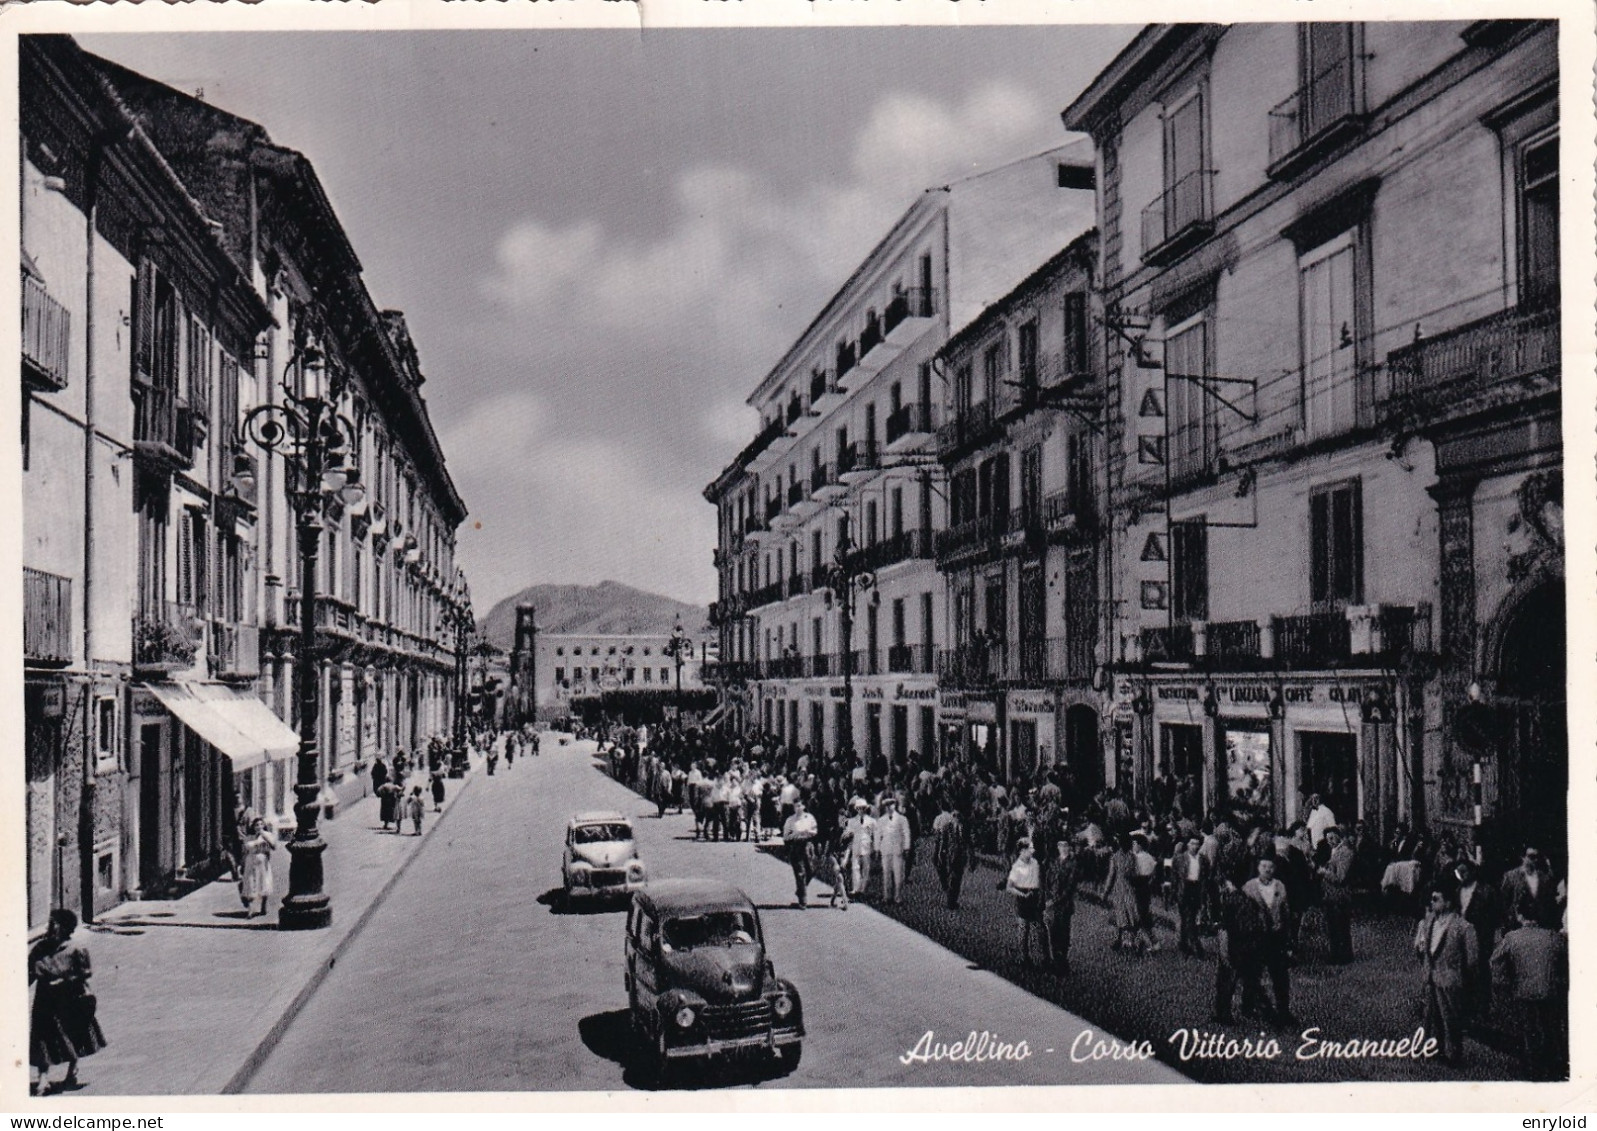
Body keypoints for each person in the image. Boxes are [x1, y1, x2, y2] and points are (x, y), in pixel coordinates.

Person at [29, 909, 106, 1096]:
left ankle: (72, 1069)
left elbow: (86, 973)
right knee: (42, 1039)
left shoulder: (76, 949)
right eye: (49, 924)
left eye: (53, 924)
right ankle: (43, 1079)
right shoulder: (40, 949)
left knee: (73, 1035)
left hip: (69, 998)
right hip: (45, 999)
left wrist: (65, 980)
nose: (49, 927)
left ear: (64, 928)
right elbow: (29, 973)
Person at [1491, 899, 1568, 1080]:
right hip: (1550, 989)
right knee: (1550, 1027)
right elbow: (1564, 958)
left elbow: (1495, 961)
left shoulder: (1512, 937)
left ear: (1520, 916)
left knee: (1529, 1029)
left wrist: (1502, 982)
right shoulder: (1553, 936)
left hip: (1523, 990)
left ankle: (1533, 1069)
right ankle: (1553, 1064)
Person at [1415, 884, 1477, 1064]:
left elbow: (1472, 959)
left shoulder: (1464, 927)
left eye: (1436, 899)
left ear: (1448, 903)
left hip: (1450, 978)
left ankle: (1453, 1054)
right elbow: (1423, 947)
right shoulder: (1429, 922)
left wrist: (1465, 978)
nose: (1431, 902)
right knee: (1430, 1016)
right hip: (1431, 976)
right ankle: (1435, 1048)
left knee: (1451, 1018)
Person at [1243, 856, 1295, 1025]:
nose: (1267, 869)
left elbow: (1286, 912)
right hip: (1256, 936)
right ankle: (1248, 1006)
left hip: (1276, 937)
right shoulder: (1249, 887)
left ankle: (1283, 1010)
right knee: (1253, 972)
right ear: (1258, 867)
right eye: (1264, 866)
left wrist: (1288, 938)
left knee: (1280, 975)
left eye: (1270, 866)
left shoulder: (1280, 886)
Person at [1103, 835, 1153, 953]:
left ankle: (1126, 942)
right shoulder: (1131, 857)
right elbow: (1135, 873)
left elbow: (1111, 876)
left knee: (1123, 915)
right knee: (1130, 916)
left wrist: (1105, 892)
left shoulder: (1115, 857)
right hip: (1130, 889)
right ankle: (1127, 941)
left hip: (1120, 889)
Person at [1317, 826, 1356, 964]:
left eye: (1333, 838)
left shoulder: (1345, 852)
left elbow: (1340, 877)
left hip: (1339, 895)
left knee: (1339, 925)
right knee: (1335, 925)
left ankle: (1341, 956)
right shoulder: (1336, 851)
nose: (1330, 842)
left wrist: (1324, 873)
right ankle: (1340, 955)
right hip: (1332, 894)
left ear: (1339, 836)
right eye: (1328, 839)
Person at [1499, 846, 1559, 930]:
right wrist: (1515, 919)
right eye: (1531, 857)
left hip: (1540, 928)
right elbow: (1504, 903)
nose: (1535, 860)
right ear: (1523, 857)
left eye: (1537, 857)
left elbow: (1549, 903)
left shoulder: (1544, 878)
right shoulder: (1511, 877)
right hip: (1517, 928)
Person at [1005, 839, 1044, 964]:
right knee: (1024, 927)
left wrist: (1041, 893)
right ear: (1022, 851)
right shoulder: (1017, 866)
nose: (1032, 851)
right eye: (1029, 849)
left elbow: (1040, 879)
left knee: (1040, 927)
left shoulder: (1035, 863)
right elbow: (1009, 887)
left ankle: (1044, 956)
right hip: (1023, 898)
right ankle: (1024, 956)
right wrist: (1022, 894)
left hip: (1035, 896)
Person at [1045, 839, 1081, 974]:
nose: (1063, 848)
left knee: (1064, 933)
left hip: (1064, 904)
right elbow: (1048, 880)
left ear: (1070, 847)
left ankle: (1063, 961)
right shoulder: (1054, 862)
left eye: (1066, 845)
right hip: (1052, 903)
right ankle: (1056, 960)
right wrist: (1048, 897)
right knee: (1053, 932)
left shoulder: (1073, 864)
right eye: (1061, 845)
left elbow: (1070, 886)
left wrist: (1055, 900)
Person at [1173, 835, 1209, 956]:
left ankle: (1186, 942)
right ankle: (1192, 943)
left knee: (1191, 916)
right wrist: (1174, 892)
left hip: (1197, 888)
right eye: (1192, 843)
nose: (1195, 846)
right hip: (1184, 888)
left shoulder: (1203, 860)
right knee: (1186, 916)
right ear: (1187, 844)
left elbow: (1205, 876)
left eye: (1197, 844)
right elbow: (1174, 877)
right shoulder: (1180, 859)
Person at [782, 800, 819, 909]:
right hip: (796, 846)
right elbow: (785, 837)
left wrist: (807, 832)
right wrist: (795, 834)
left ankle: (800, 890)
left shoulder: (810, 817)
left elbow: (815, 831)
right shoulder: (790, 820)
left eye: (800, 805)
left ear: (803, 806)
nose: (798, 808)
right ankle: (803, 901)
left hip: (808, 845)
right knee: (800, 873)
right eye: (795, 806)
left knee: (811, 870)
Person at [876, 796, 912, 906]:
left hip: (897, 849)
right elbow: (878, 835)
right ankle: (887, 896)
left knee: (898, 874)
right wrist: (876, 849)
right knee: (886, 873)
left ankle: (898, 897)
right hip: (886, 849)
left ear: (894, 806)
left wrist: (907, 847)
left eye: (891, 805)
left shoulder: (902, 819)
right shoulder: (881, 820)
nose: (889, 808)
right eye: (887, 806)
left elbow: (906, 833)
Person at [239, 816, 277, 919]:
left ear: (264, 825)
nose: (259, 826)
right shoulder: (249, 837)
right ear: (253, 827)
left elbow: (274, 846)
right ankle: (250, 911)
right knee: (250, 884)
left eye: (261, 824)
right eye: (256, 825)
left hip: (262, 861)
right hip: (250, 861)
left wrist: (263, 834)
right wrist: (242, 865)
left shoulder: (268, 835)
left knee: (264, 883)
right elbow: (244, 852)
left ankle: (263, 906)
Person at [841, 799, 877, 899]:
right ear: (856, 809)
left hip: (867, 845)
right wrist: (846, 834)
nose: (861, 810)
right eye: (859, 808)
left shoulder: (872, 821)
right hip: (856, 845)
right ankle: (855, 889)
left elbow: (875, 834)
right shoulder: (852, 821)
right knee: (855, 867)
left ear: (866, 809)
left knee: (866, 868)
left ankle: (862, 889)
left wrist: (875, 847)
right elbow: (848, 834)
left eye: (863, 808)